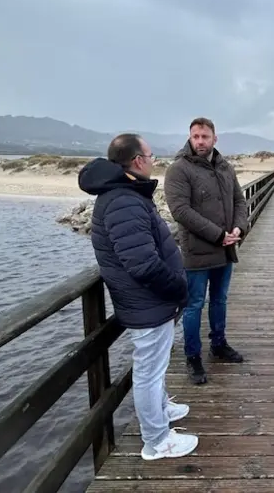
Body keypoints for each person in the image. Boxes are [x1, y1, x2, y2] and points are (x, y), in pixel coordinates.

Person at [77, 133, 198, 460]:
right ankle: (157, 440)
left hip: (149, 303)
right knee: (149, 372)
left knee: (155, 368)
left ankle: (160, 412)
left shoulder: (124, 194)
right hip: (148, 303)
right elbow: (143, 265)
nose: (154, 159)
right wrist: (178, 287)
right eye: (150, 154)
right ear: (137, 160)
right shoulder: (123, 201)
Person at [164, 117, 250, 385]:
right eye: (195, 137)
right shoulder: (179, 169)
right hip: (198, 251)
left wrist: (238, 228)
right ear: (190, 138)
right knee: (194, 305)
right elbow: (180, 211)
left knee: (220, 300)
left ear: (215, 138)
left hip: (225, 250)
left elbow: (239, 200)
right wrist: (217, 234)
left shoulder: (225, 167)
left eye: (204, 136)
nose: (200, 141)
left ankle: (219, 344)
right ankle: (193, 357)